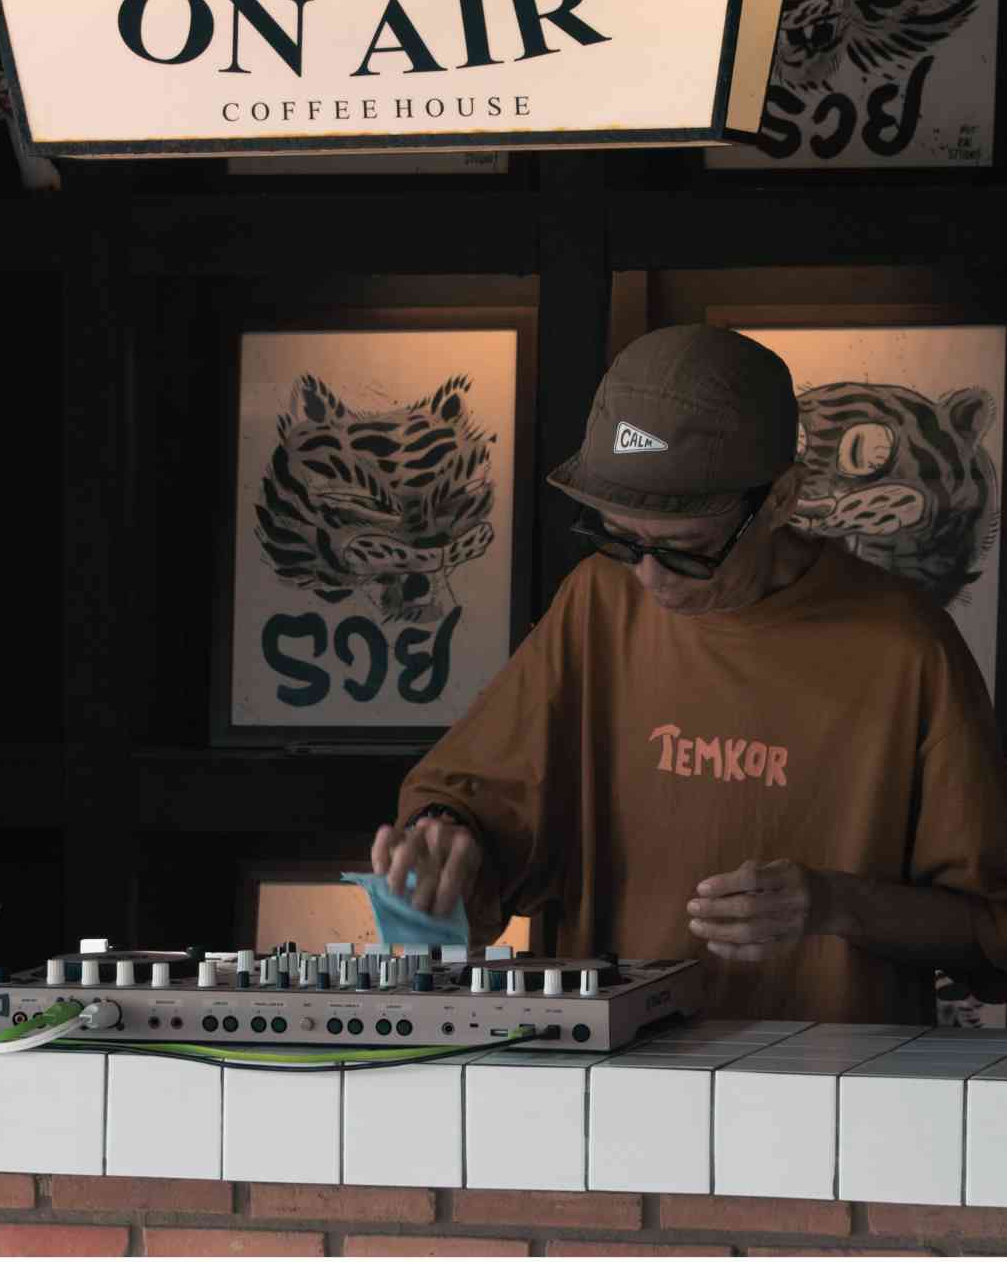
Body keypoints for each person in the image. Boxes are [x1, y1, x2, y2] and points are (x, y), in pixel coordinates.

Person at [372, 325, 1007, 1023]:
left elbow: (989, 933)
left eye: (686, 549)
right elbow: (483, 806)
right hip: (613, 1066)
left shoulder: (906, 645)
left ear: (781, 498)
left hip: (834, 1076)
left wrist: (834, 903)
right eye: (621, 538)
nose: (649, 577)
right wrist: (443, 837)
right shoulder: (599, 599)